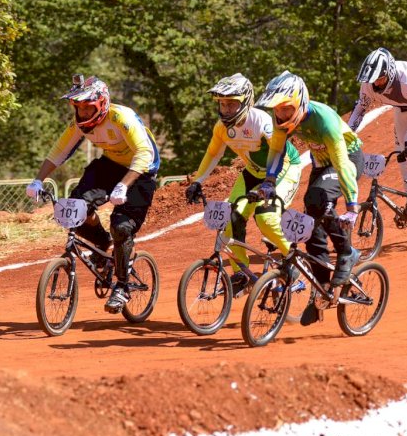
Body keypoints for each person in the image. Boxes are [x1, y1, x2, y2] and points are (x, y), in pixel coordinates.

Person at [26, 74, 160, 314]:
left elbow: (144, 153)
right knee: (75, 210)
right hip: (109, 166)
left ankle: (123, 286)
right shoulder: (79, 124)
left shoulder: (121, 117)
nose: (83, 113)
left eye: (88, 108)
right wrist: (38, 179)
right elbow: (59, 151)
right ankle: (101, 242)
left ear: (102, 103)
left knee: (121, 227)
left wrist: (124, 185)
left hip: (142, 170)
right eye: (78, 108)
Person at [257, 70, 363, 325]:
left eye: (286, 109)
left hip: (347, 160)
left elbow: (342, 164)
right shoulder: (281, 121)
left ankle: (347, 252)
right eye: (277, 110)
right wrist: (269, 181)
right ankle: (322, 289)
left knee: (318, 199)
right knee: (310, 221)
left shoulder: (324, 120)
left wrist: (351, 205)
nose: (281, 115)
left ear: (301, 101)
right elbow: (276, 150)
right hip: (321, 164)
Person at [185, 73, 302, 296]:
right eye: (223, 104)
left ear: (246, 101)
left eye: (232, 104)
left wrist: (269, 184)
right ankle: (241, 273)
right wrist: (197, 181)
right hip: (251, 172)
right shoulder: (221, 128)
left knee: (266, 219)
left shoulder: (261, 121)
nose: (227, 110)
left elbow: (279, 151)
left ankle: (293, 263)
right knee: (232, 217)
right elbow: (212, 154)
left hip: (283, 169)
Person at [347, 48, 407, 214]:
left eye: (380, 79)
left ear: (389, 73)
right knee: (400, 152)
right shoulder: (368, 85)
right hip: (401, 106)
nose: (376, 84)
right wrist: (345, 137)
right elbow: (360, 110)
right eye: (373, 80)